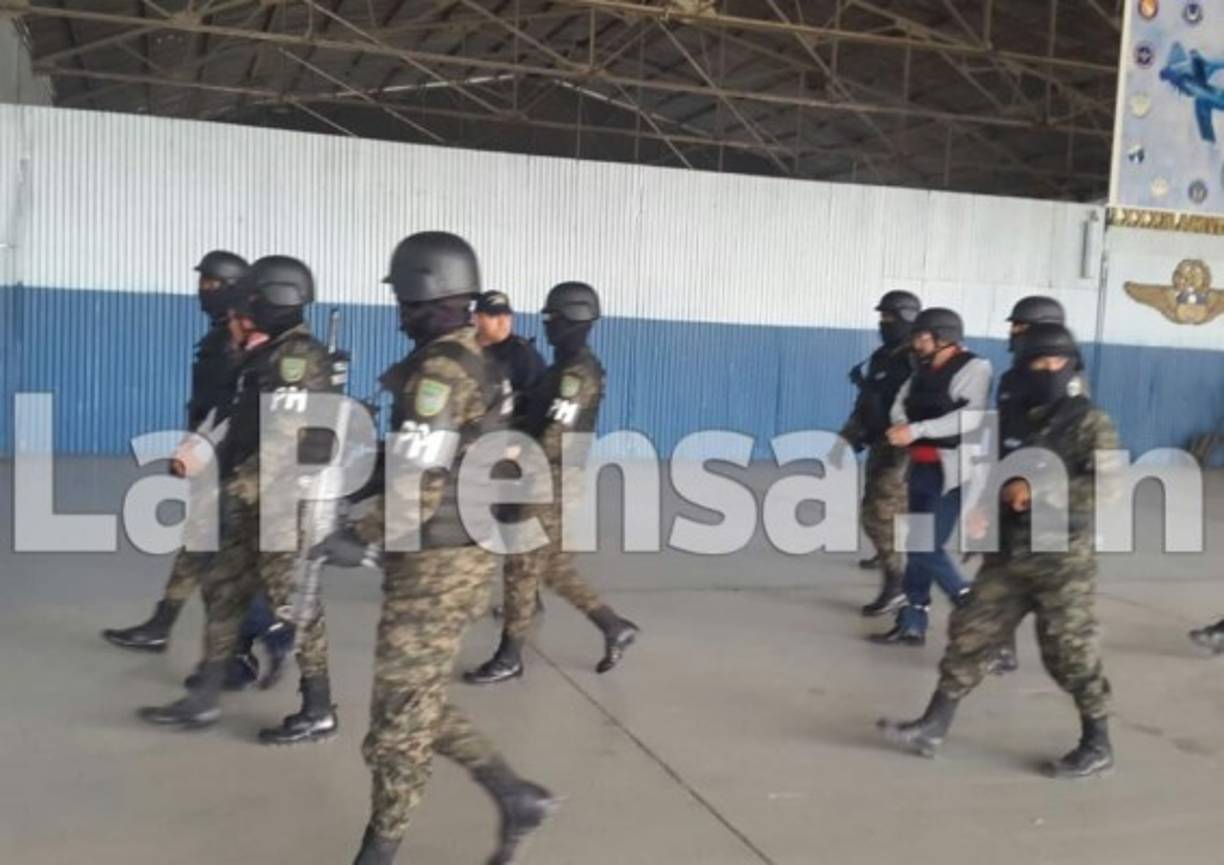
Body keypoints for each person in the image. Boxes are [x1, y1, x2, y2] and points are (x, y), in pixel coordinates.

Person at [331, 232, 554, 865]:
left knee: (396, 724)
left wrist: (354, 536)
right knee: (412, 701)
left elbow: (421, 482)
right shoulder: (472, 360)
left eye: (404, 299)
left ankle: (378, 853)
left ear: (426, 295)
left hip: (437, 564)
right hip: (456, 556)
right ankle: (513, 795)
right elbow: (421, 458)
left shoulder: (440, 370)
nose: (399, 311)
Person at [878, 322, 1120, 778]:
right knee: (971, 633)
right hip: (1008, 553)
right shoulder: (1013, 415)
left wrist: (1039, 489)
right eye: (1037, 362)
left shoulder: (1090, 421)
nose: (1047, 370)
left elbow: (1108, 489)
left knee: (1070, 652)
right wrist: (984, 509)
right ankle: (934, 724)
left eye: (1056, 362)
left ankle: (1097, 741)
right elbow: (996, 470)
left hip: (1061, 556)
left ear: (1071, 366)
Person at [138, 256, 341, 745]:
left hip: (285, 505)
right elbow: (241, 424)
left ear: (274, 298)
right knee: (224, 589)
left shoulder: (297, 360)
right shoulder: (266, 355)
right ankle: (207, 692)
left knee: (295, 605)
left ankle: (318, 707)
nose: (242, 306)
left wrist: (231, 490)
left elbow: (285, 447)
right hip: (252, 501)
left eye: (251, 297)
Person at [102, 250, 291, 690]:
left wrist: (200, 448)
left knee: (222, 559)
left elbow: (236, 411)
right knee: (200, 549)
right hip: (214, 458)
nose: (203, 291)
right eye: (202, 282)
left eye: (212, 284)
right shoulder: (222, 335)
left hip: (227, 463)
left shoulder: (240, 341)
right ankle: (166, 626)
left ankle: (267, 634)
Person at [464, 281, 640, 685]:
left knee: (521, 566)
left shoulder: (577, 372)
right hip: (543, 475)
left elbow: (556, 436)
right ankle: (614, 626)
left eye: (552, 319)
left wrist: (507, 454)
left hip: (548, 479)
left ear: (571, 322)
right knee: (552, 565)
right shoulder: (561, 367)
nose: (547, 326)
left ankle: (509, 657)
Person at [870, 308, 992, 646]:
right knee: (917, 544)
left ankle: (969, 603)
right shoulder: (921, 369)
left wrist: (917, 429)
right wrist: (903, 426)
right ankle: (912, 621)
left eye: (923, 337)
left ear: (944, 338)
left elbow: (970, 418)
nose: (917, 344)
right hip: (922, 468)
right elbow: (900, 402)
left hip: (955, 472)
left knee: (926, 547)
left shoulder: (975, 368)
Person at [834, 290, 920, 617]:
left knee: (877, 513)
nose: (883, 324)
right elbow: (868, 398)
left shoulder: (914, 358)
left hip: (904, 448)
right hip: (880, 443)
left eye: (890, 318)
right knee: (885, 510)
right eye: (882, 318)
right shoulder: (885, 355)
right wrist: (849, 434)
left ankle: (897, 584)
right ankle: (892, 559)